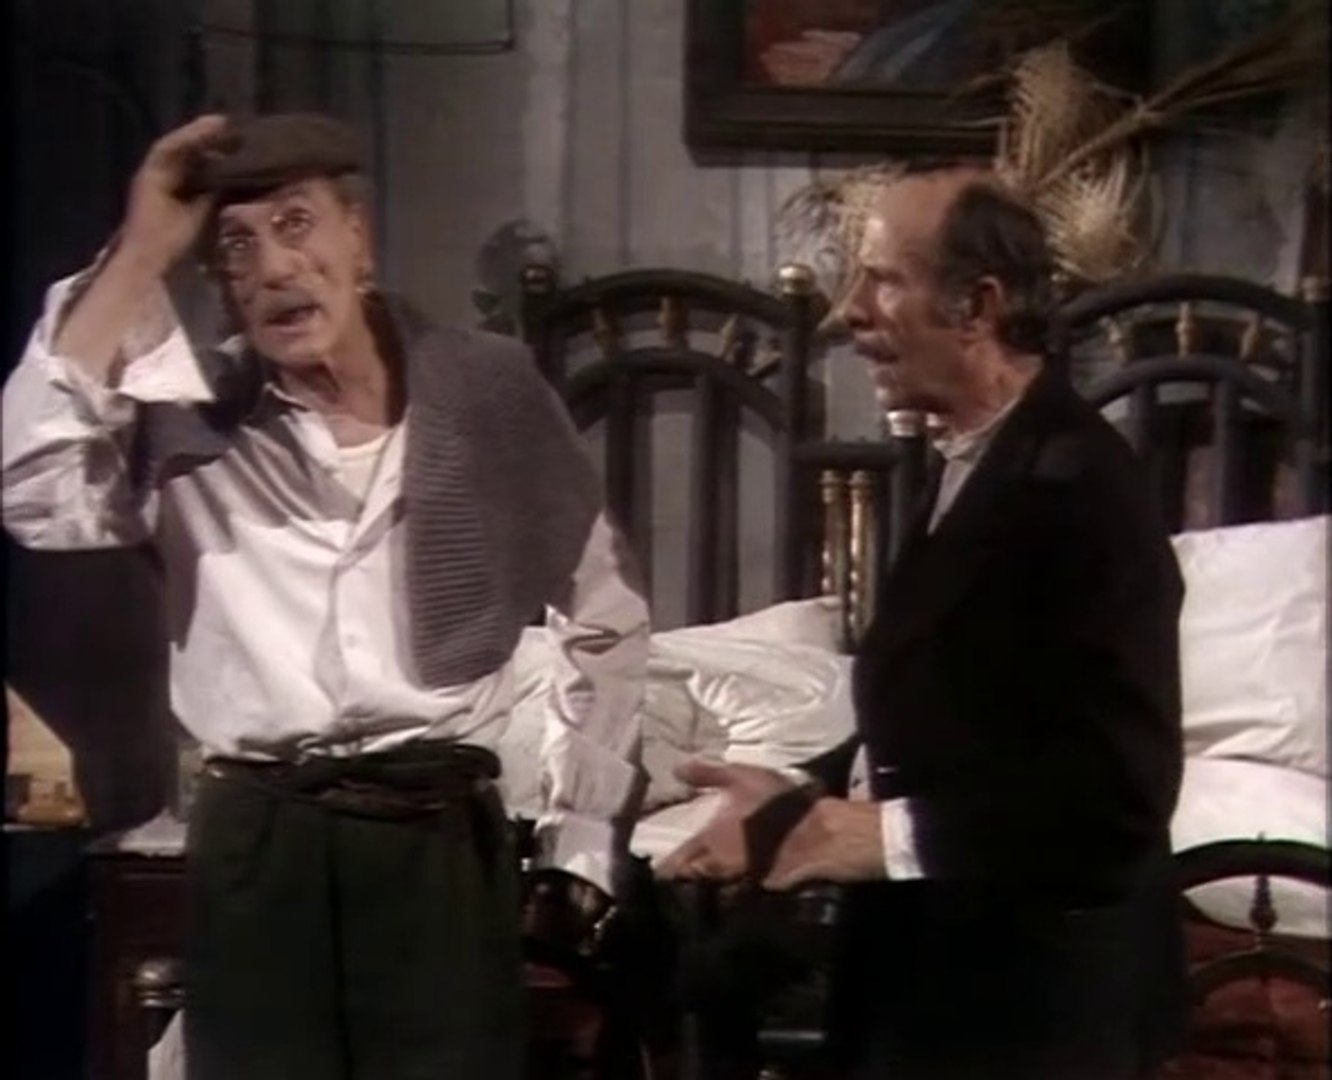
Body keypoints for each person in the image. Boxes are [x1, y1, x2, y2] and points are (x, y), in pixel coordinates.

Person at [2, 112, 649, 1080]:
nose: (273, 267)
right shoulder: (183, 426)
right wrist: (139, 256)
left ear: (360, 239)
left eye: (296, 225)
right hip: (262, 845)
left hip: (433, 837)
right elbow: (32, 487)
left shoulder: (487, 394)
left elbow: (607, 610)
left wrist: (583, 836)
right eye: (236, 247)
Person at [659, 164, 1189, 1079]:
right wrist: (793, 807)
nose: (850, 314)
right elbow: (946, 720)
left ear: (976, 306)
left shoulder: (1081, 489)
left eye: (882, 280)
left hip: (1035, 1014)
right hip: (943, 983)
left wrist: (880, 837)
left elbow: (1118, 803)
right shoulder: (977, 459)